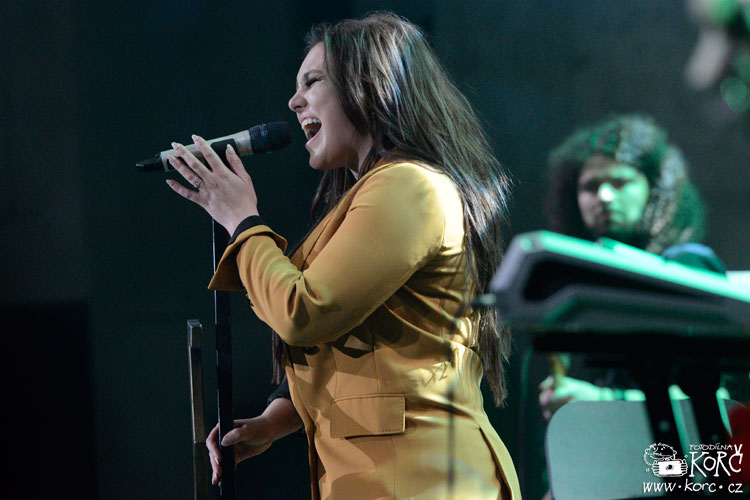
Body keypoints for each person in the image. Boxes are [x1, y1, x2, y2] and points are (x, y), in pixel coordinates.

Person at [165, 12, 520, 500]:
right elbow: (367, 349)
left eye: (312, 82)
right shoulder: (379, 194)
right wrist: (273, 421)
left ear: (370, 87)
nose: (293, 101)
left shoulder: (409, 185)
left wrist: (242, 222)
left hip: (422, 481)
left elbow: (304, 311)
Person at [538, 113, 726, 419]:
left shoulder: (688, 265)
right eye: (590, 186)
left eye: (621, 182)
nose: (604, 196)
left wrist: (604, 401)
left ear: (655, 189)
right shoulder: (584, 283)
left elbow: (718, 398)